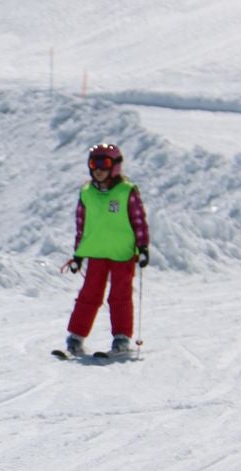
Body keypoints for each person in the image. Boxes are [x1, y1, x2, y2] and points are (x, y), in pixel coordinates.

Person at [61, 143, 150, 356]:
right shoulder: (87, 193)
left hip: (122, 253)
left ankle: (121, 337)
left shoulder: (126, 191)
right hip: (97, 252)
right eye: (94, 164)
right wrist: (78, 255)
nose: (98, 169)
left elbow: (138, 220)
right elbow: (82, 225)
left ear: (116, 166)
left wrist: (143, 246)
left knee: (119, 295)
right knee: (89, 295)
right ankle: (76, 336)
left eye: (104, 164)